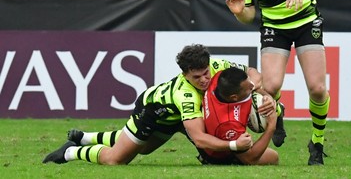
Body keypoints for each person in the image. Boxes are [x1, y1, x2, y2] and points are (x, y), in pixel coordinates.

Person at [212, 0, 330, 165]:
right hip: (275, 29)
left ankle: (316, 142)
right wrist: (238, 11)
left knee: (317, 89)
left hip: (306, 21)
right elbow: (249, 16)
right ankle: (279, 115)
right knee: (271, 87)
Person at [42, 44, 264, 165]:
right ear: (185, 75)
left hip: (178, 119)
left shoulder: (217, 65)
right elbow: (199, 138)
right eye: (197, 77)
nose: (204, 80)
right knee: (116, 159)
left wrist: (253, 85)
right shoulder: (184, 95)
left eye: (206, 73)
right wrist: (234, 146)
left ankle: (86, 137)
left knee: (145, 149)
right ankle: (71, 151)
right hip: (152, 112)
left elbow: (251, 71)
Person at [197, 66, 278, 165]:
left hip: (224, 129)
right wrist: (271, 127)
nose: (252, 87)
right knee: (273, 157)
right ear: (234, 97)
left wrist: (267, 96)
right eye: (248, 89)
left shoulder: (220, 78)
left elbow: (254, 85)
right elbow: (250, 159)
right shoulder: (228, 123)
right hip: (220, 154)